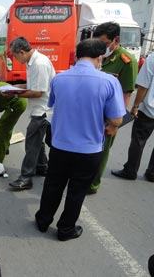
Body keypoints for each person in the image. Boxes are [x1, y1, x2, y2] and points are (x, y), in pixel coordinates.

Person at [35, 39, 125, 241]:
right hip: (89, 150)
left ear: (77, 55)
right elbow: (117, 119)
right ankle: (66, 230)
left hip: (60, 146)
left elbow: (53, 104)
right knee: (77, 192)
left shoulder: (59, 79)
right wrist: (110, 125)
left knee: (53, 186)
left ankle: (42, 220)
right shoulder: (109, 81)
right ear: (100, 57)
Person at [88, 22, 138, 194]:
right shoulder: (99, 56)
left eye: (103, 42)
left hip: (108, 116)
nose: (101, 46)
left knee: (101, 150)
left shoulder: (126, 61)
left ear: (115, 40)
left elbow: (125, 95)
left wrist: (115, 124)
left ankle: (92, 184)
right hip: (92, 111)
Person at [3, 37, 56, 190]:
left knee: (31, 143)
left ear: (21, 52)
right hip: (41, 109)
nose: (16, 60)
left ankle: (26, 177)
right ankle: (42, 166)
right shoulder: (32, 62)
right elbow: (33, 84)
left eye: (16, 56)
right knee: (39, 141)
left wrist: (15, 94)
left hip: (43, 110)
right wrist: (15, 86)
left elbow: (38, 92)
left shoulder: (39, 63)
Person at [112, 53, 154, 181]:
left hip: (149, 109)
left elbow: (143, 85)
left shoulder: (152, 58)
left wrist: (135, 105)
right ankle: (152, 173)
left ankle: (130, 170)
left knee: (138, 140)